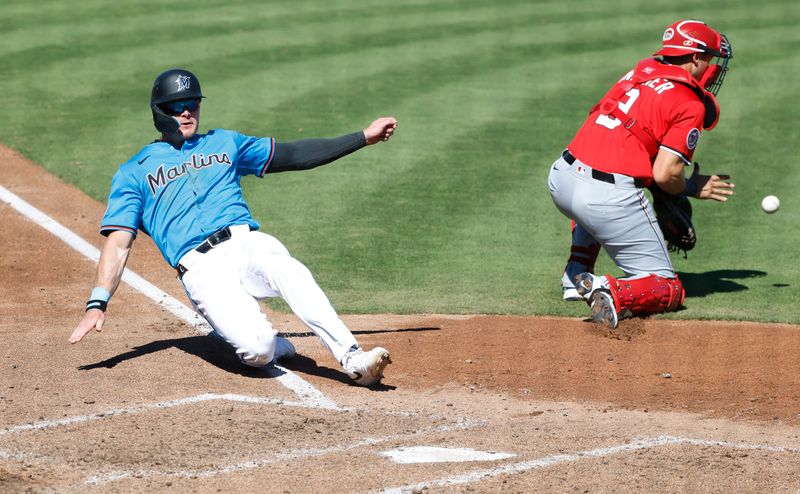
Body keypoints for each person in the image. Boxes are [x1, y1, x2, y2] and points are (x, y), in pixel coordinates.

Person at [69, 68, 397, 386]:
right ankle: (267, 342)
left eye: (192, 104)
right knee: (258, 350)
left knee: (285, 268)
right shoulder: (133, 171)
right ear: (159, 112)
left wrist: (362, 138)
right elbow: (119, 243)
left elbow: (295, 154)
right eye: (176, 107)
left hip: (245, 243)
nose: (186, 113)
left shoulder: (225, 143)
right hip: (200, 267)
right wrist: (98, 302)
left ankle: (353, 358)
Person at [548, 20, 735, 328]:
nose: (713, 66)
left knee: (591, 194)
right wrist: (691, 186)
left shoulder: (642, 70)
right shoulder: (689, 103)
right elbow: (665, 175)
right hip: (603, 199)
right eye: (711, 58)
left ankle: (575, 273)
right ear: (696, 58)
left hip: (561, 178)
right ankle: (607, 288)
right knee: (668, 287)